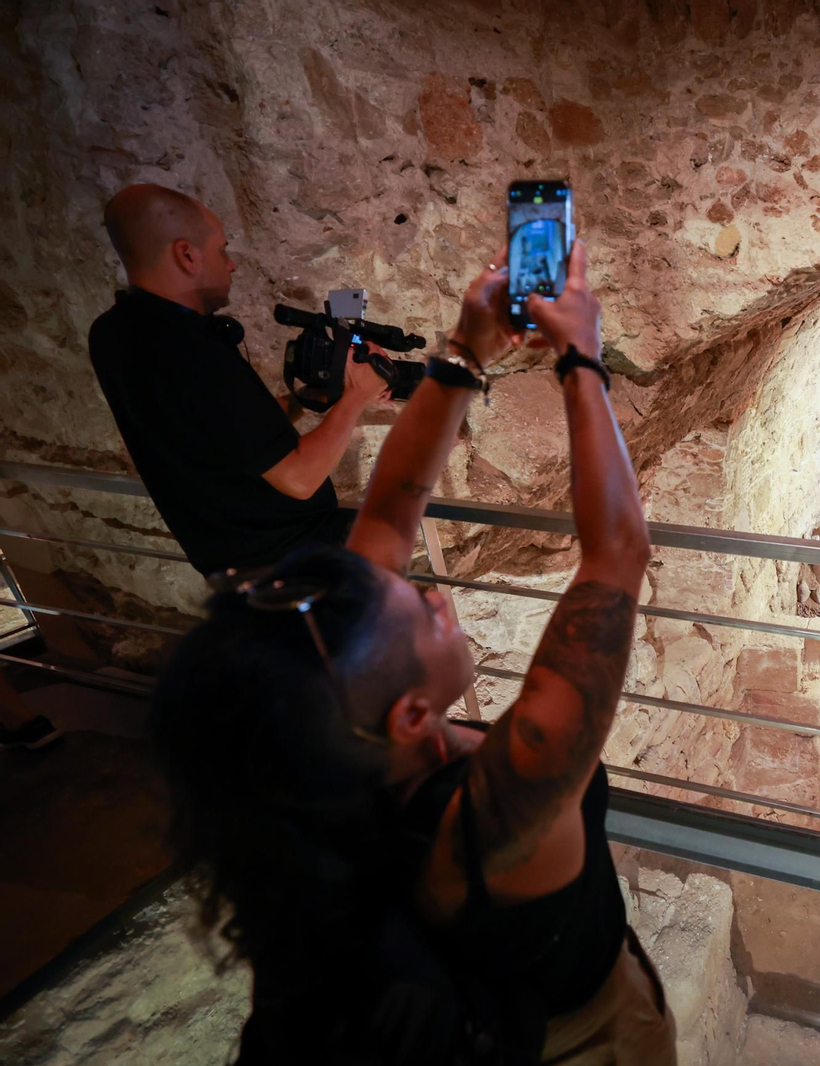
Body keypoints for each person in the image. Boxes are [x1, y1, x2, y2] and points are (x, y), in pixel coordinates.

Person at [149, 241, 672, 1063]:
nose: (432, 595)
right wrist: (581, 357)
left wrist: (466, 347)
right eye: (422, 614)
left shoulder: (327, 745)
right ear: (411, 714)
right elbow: (616, 554)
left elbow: (391, 513)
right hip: (585, 1036)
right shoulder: (500, 824)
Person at [89, 184, 390, 574]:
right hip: (290, 574)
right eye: (222, 249)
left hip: (231, 571)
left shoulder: (113, 333)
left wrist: (311, 397)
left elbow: (228, 439)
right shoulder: (193, 351)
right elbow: (299, 478)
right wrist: (356, 397)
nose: (230, 264)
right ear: (186, 255)